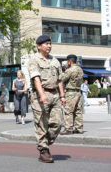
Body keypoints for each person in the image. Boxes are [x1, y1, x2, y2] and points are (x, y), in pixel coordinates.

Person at [28, 35, 65, 163]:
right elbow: (36, 78)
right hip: (40, 95)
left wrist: (62, 95)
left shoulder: (55, 60)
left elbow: (60, 79)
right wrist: (42, 94)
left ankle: (44, 143)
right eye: (46, 44)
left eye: (50, 43)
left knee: (58, 123)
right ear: (39, 46)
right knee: (41, 124)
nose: (49, 46)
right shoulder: (34, 60)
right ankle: (43, 150)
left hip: (54, 95)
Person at [60, 54, 84, 135]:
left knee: (68, 111)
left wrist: (63, 71)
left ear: (69, 61)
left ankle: (68, 128)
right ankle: (79, 128)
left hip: (70, 92)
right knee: (78, 111)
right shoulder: (80, 69)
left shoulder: (70, 70)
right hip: (78, 91)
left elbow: (62, 79)